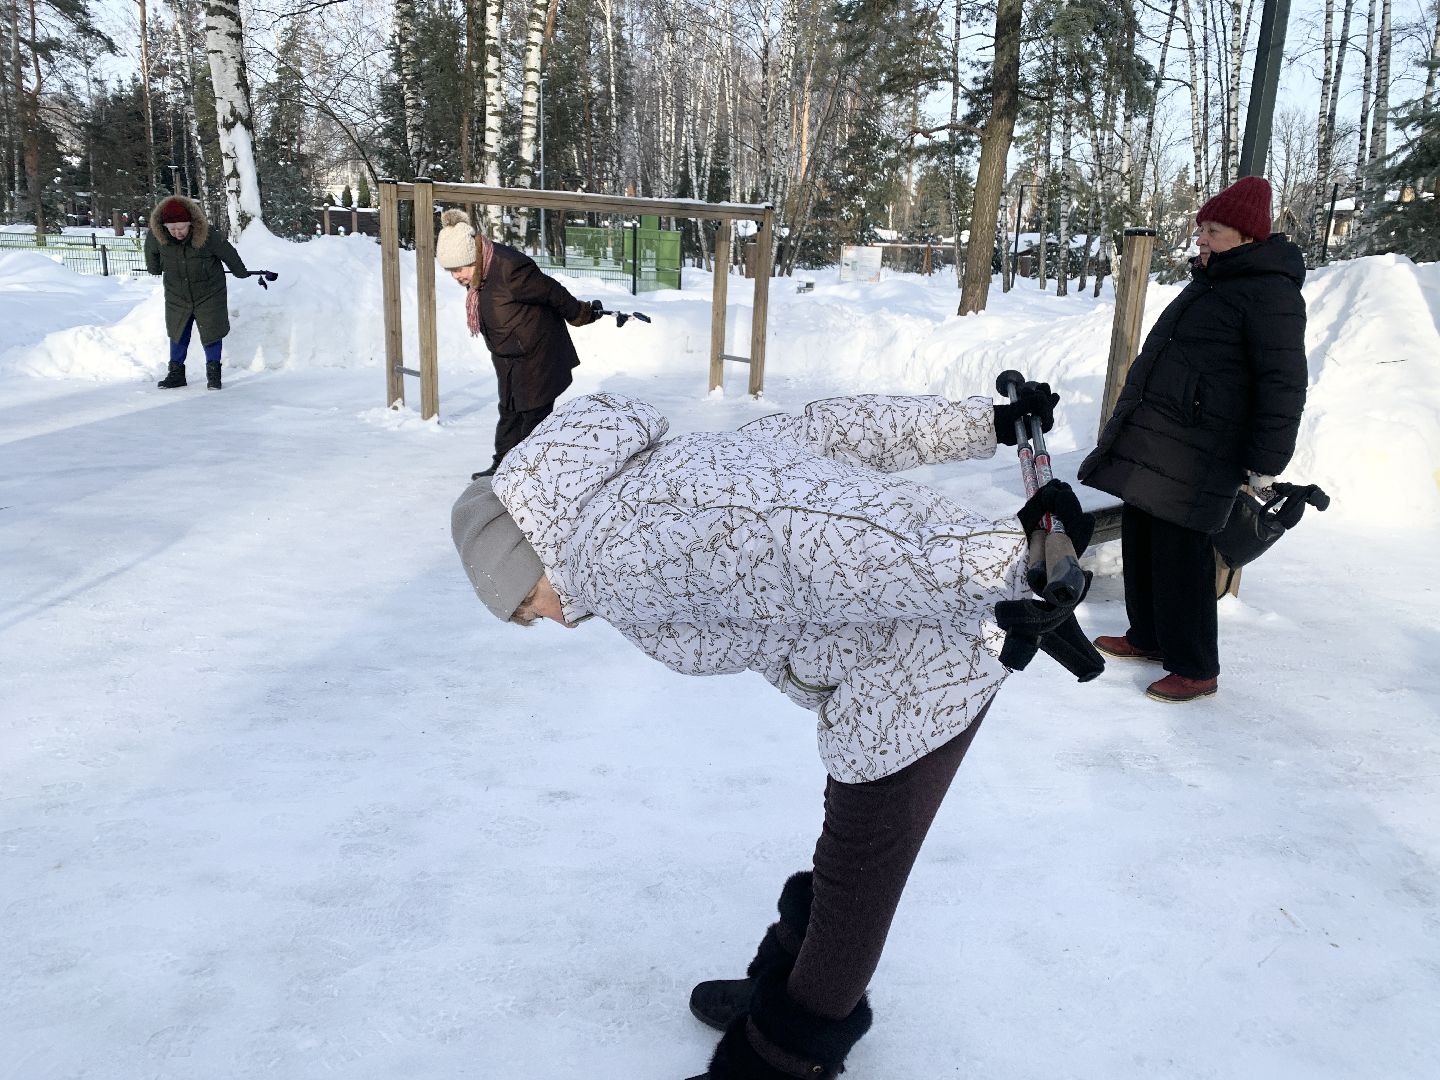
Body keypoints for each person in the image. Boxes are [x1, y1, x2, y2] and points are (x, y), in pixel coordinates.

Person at [451, 385, 1089, 1080]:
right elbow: (835, 433)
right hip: (893, 654)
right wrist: (980, 424)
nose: (546, 620)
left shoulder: (617, 551)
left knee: (857, 885)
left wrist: (1002, 558)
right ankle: (782, 988)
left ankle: (778, 1060)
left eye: (524, 604)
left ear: (530, 549)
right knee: (849, 859)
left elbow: (812, 538)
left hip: (923, 663)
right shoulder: (659, 473)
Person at [1078, 175, 1308, 703]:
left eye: (1215, 229)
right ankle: (1150, 636)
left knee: (1182, 553)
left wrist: (1267, 460)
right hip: (1161, 436)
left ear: (1247, 236)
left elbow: (1283, 382)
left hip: (1204, 447)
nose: (1201, 238)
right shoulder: (1211, 280)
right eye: (1201, 227)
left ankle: (1196, 666)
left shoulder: (1270, 293)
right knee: (1142, 535)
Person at [435, 208, 602, 477]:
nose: (456, 276)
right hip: (508, 356)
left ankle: (530, 477)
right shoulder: (481, 272)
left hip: (537, 352)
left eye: (458, 269)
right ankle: (502, 467)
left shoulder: (510, 268)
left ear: (473, 258)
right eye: (450, 271)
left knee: (533, 415)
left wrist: (581, 313)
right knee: (510, 411)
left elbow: (553, 293)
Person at [144, 195, 251, 391]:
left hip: (210, 293)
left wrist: (240, 271)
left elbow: (229, 253)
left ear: (190, 224)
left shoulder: (208, 234)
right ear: (164, 227)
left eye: (181, 228)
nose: (177, 233)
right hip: (177, 294)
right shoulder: (156, 236)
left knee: (212, 332)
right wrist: (154, 267)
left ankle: (214, 375)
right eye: (172, 229)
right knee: (178, 333)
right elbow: (152, 259)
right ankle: (176, 374)